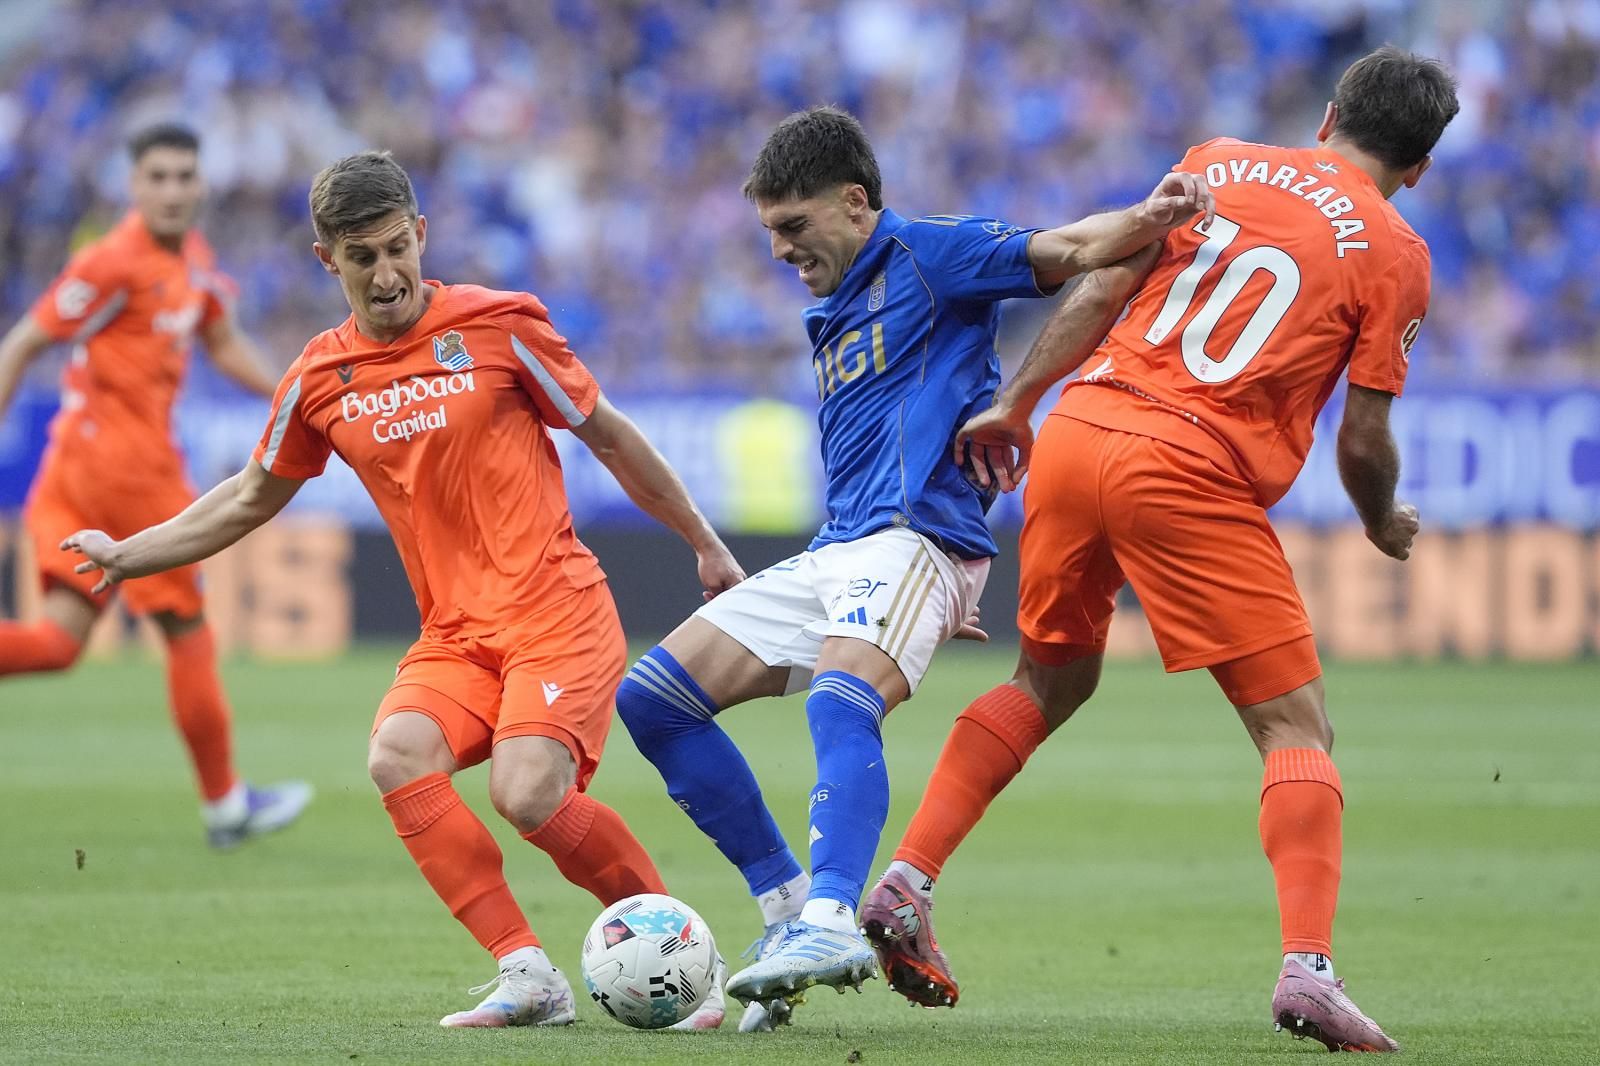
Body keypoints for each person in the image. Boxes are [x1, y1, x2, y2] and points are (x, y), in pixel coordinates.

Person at [859, 47, 1459, 1054]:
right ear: (1422, 164)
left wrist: (1017, 399)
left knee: (1047, 680)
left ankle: (907, 878)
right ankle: (1307, 969)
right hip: (1189, 466)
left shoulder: (1217, 161)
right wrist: (1379, 518)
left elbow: (1098, 289)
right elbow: (1361, 438)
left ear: (1326, 116)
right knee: (1293, 726)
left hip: (1083, 432)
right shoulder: (1395, 250)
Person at [62, 150, 746, 1030]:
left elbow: (609, 436)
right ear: (326, 261)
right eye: (361, 258)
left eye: (397, 250)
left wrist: (703, 542)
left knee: (526, 791)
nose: (386, 276)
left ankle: (691, 963)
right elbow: (246, 496)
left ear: (421, 235)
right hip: (456, 637)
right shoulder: (318, 379)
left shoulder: (501, 329)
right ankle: (527, 975)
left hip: (555, 613)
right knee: (396, 755)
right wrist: (130, 553)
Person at [612, 105, 1212, 1031]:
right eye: (769, 231)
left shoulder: (930, 255)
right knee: (653, 699)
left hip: (912, 543)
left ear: (856, 203)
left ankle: (829, 918)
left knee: (839, 698)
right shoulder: (834, 309)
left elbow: (1075, 248)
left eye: (793, 227)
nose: (778, 251)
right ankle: (786, 911)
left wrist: (1152, 214)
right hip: (844, 548)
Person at [0, 122, 311, 848]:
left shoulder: (193, 260)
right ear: (133, 186)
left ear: (202, 184)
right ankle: (226, 806)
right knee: (187, 628)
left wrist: (294, 393)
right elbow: (23, 342)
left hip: (83, 467)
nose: (173, 191)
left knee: (56, 643)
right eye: (158, 178)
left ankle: (227, 804)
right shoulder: (111, 262)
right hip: (125, 471)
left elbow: (222, 338)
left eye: (184, 177)